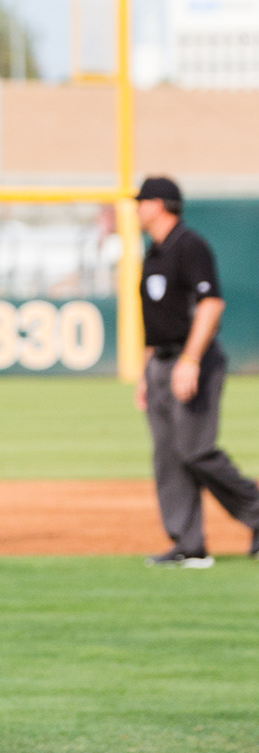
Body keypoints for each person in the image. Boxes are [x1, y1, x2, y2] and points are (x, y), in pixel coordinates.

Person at [133, 175, 259, 568]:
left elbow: (211, 305)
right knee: (168, 456)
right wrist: (145, 373)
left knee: (195, 450)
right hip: (161, 362)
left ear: (161, 204)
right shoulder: (153, 253)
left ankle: (256, 512)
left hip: (194, 359)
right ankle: (187, 544)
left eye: (142, 201)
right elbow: (156, 320)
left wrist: (190, 360)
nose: (136, 208)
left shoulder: (190, 246)